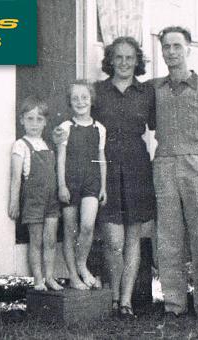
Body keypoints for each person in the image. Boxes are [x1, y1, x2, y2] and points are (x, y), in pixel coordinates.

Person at [151, 26, 198, 318]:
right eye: (166, 47)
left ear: (188, 49)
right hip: (164, 163)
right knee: (169, 237)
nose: (171, 52)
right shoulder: (155, 88)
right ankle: (174, 305)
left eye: (177, 46)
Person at [93, 36, 156, 319]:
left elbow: (159, 127)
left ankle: (126, 302)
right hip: (106, 164)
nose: (124, 63)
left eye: (130, 57)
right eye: (118, 57)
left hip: (136, 167)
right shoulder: (97, 91)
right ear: (110, 60)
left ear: (137, 61)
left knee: (133, 239)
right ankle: (115, 297)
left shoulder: (146, 93)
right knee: (112, 240)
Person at [8, 96, 63, 291]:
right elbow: (16, 178)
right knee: (36, 240)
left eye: (39, 119)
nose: (34, 123)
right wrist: (14, 202)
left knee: (50, 241)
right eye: (30, 118)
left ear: (45, 122)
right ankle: (38, 279)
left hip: (51, 200)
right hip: (33, 200)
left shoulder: (47, 145)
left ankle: (50, 277)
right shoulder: (20, 145)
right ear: (22, 120)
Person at [57, 80, 107, 290]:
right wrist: (61, 185)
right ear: (70, 101)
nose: (80, 102)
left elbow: (101, 157)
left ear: (91, 100)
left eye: (84, 97)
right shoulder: (66, 127)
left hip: (92, 182)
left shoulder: (99, 128)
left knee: (87, 226)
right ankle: (73, 276)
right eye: (75, 98)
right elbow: (60, 158)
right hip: (70, 182)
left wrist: (103, 187)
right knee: (70, 229)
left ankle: (81, 264)